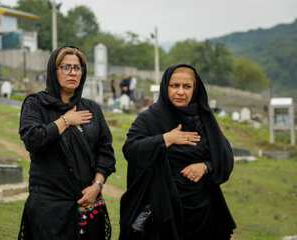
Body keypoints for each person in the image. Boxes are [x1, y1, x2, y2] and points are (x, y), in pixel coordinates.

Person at [119, 64, 236, 240]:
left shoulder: (203, 119)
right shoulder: (149, 119)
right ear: (165, 87)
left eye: (186, 86)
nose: (180, 92)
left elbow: (224, 157)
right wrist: (166, 139)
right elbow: (131, 149)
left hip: (203, 214)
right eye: (175, 86)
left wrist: (205, 167)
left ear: (195, 90)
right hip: (161, 211)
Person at [18, 46, 116, 240]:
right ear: (53, 71)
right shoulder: (36, 104)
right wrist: (66, 121)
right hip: (49, 206)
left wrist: (96, 185)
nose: (72, 72)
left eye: (77, 68)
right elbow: (33, 139)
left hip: (87, 203)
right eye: (65, 67)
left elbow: (105, 152)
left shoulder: (91, 108)